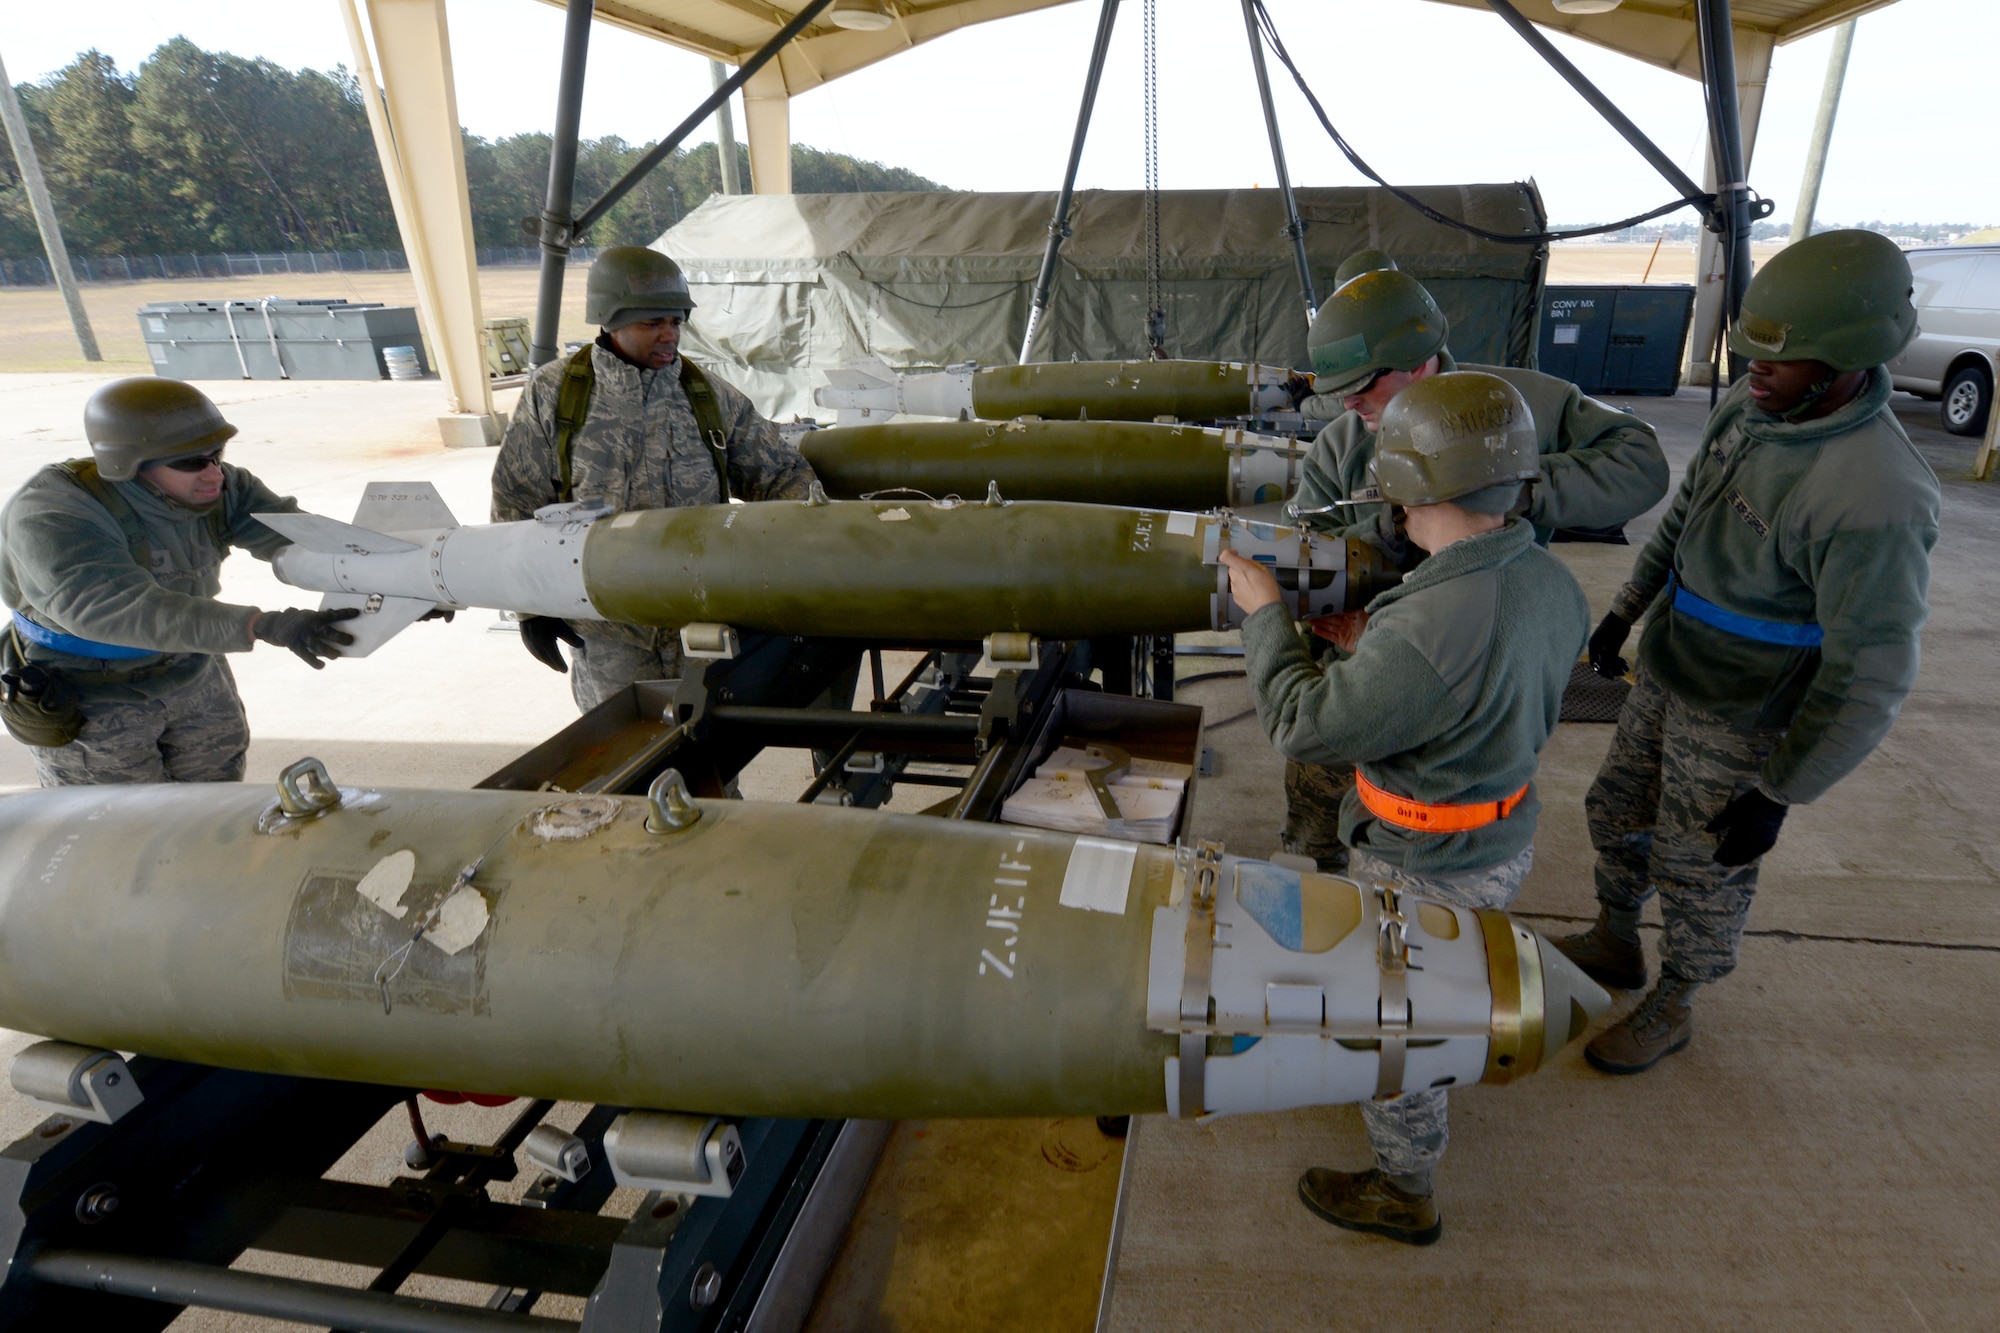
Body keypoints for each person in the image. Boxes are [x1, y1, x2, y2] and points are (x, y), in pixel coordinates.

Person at [1555, 228, 1939, 1074]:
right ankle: (1617, 938)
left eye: (1782, 359)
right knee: (1616, 807)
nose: (1753, 371)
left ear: (1843, 364)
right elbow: (1688, 513)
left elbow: (1872, 671)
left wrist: (1782, 787)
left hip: (1745, 706)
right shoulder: (1752, 407)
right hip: (1669, 663)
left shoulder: (1877, 493)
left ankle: (1677, 999)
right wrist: (1624, 614)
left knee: (1704, 862)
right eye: (1752, 353)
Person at [1221, 371, 1590, 1246]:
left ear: (1404, 478)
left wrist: (1267, 616)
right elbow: (1476, 674)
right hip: (1496, 834)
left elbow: (1301, 724)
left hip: (1423, 863)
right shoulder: (1547, 581)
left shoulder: (1433, 624)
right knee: (1436, 988)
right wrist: (1382, 649)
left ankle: (1404, 1185)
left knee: (1395, 1022)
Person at [1277, 268, 1670, 874]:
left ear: (1415, 359)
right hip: (1370, 669)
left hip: (1479, 668)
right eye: (1339, 389)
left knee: (1437, 840)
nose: (1348, 402)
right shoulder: (1342, 443)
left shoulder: (1517, 404)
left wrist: (1499, 486)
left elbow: (1639, 464)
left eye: (1360, 384)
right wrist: (1382, 533)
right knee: (1317, 822)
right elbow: (1311, 553)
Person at [492, 246, 817, 711]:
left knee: (711, 755)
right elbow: (515, 500)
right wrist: (529, 604)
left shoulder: (707, 396)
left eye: (676, 322)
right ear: (608, 320)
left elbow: (780, 476)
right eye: (651, 324)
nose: (669, 336)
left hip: (702, 626)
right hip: (608, 632)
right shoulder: (555, 394)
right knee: (621, 763)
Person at [0, 378, 363, 785]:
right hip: (91, 693)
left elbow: (297, 539)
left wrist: (394, 578)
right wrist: (260, 624)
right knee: (115, 825)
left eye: (217, 455)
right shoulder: (53, 513)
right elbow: (110, 607)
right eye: (191, 461)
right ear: (129, 464)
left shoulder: (221, 488)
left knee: (214, 803)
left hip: (190, 667)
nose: (214, 474)